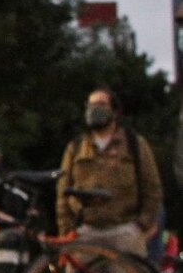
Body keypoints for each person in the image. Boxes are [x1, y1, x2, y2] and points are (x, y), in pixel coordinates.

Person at [57, 88, 162, 257]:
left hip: (124, 231)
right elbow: (62, 193)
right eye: (90, 105)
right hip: (85, 232)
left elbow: (152, 187)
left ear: (115, 111)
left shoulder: (134, 144)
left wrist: (141, 225)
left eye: (101, 104)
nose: (94, 109)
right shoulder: (75, 148)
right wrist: (67, 231)